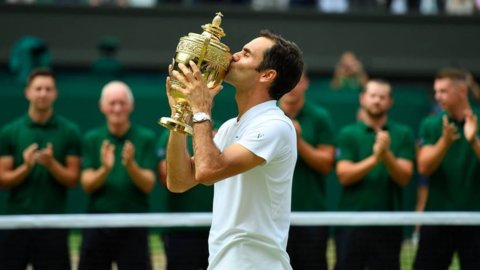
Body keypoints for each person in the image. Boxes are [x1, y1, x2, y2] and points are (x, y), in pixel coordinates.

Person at [165, 29, 304, 269]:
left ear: (267, 75)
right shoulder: (231, 126)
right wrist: (181, 114)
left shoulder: (276, 125)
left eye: (246, 54)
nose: (233, 55)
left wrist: (201, 110)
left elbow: (207, 171)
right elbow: (179, 181)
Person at [0, 68, 82, 270]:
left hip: (53, 224)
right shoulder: (10, 132)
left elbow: (72, 179)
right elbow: (3, 180)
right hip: (15, 223)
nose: (43, 93)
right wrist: (26, 166)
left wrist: (51, 163)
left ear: (55, 93)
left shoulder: (70, 131)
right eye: (38, 88)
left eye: (48, 89)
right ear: (27, 92)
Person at [335, 79, 415, 270]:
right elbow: (344, 175)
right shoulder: (348, 133)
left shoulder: (403, 133)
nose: (377, 101)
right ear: (362, 99)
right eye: (372, 96)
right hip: (350, 224)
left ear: (390, 102)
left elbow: (404, 177)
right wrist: (376, 158)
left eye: (382, 97)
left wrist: (386, 154)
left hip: (388, 225)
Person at [78, 81, 156, 270]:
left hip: (134, 224)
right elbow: (87, 185)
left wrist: (131, 165)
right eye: (112, 103)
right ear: (102, 107)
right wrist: (105, 169)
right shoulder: (91, 138)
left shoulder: (145, 138)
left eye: (122, 103)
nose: (117, 108)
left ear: (131, 106)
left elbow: (148, 185)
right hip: (97, 223)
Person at [414, 68, 480, 270]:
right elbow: (424, 167)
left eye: (443, 91)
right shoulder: (431, 124)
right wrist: (444, 141)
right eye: (436, 91)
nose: (437, 96)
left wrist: (473, 141)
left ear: (462, 91)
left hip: (476, 220)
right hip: (438, 217)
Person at [278, 71, 335, 270]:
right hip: (272, 218)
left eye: (297, 81)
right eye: (289, 80)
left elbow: (326, 164)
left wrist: (298, 140)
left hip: (311, 217)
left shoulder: (320, 117)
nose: (292, 87)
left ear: (306, 84)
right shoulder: (266, 114)